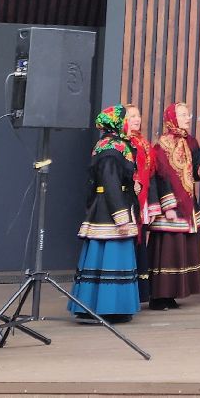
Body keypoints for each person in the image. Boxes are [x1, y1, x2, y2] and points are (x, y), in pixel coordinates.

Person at [140, 101, 200, 309]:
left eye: (188, 114)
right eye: (183, 115)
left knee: (181, 250)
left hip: (187, 205)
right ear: (172, 118)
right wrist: (168, 206)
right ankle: (158, 296)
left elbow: (195, 173)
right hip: (170, 208)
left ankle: (171, 294)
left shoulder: (191, 142)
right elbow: (160, 177)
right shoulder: (161, 144)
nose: (188, 118)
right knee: (167, 251)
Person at [71, 105, 142, 321]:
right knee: (112, 257)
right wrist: (121, 216)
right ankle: (110, 308)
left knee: (97, 258)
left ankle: (91, 306)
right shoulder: (114, 148)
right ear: (118, 123)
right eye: (127, 118)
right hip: (111, 210)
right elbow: (110, 182)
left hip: (103, 206)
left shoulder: (104, 145)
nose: (131, 122)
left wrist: (130, 186)